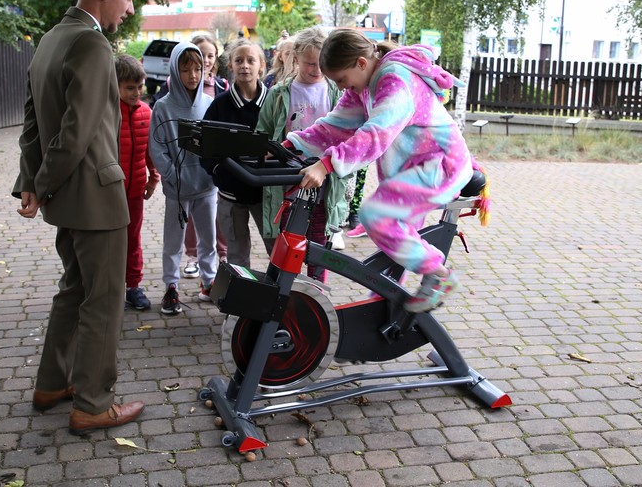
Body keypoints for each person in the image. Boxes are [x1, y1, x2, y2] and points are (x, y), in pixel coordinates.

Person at [12, 0, 145, 434]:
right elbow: (76, 132)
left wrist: (32, 182)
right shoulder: (91, 45)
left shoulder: (51, 39)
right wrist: (40, 185)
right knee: (104, 300)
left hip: (68, 199)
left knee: (74, 289)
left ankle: (53, 382)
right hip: (95, 197)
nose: (129, 8)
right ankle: (92, 402)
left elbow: (31, 126)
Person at [286, 28, 484, 312]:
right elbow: (336, 126)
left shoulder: (396, 78)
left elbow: (377, 132)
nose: (342, 88)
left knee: (376, 217)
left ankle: (438, 275)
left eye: (342, 80)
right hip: (412, 172)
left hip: (441, 166)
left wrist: (327, 163)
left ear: (361, 64)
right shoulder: (362, 86)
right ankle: (384, 312)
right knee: (395, 248)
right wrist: (290, 145)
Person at [256, 27, 348, 282]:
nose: (316, 69)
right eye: (309, 63)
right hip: (287, 181)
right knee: (289, 241)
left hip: (324, 181)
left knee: (319, 243)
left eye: (321, 64)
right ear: (296, 58)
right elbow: (262, 132)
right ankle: (287, 290)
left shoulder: (336, 92)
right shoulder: (278, 94)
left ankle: (316, 292)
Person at [149, 42, 218, 314]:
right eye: (185, 68)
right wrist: (171, 175)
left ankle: (209, 282)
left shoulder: (209, 104)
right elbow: (157, 147)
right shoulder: (163, 107)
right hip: (177, 190)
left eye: (198, 69)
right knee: (173, 242)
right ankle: (170, 287)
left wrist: (212, 172)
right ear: (175, 70)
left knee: (208, 240)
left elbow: (215, 142)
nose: (192, 75)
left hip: (206, 187)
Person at [201, 39, 272, 272]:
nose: (245, 66)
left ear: (261, 66)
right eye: (238, 60)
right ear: (230, 65)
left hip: (267, 194)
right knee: (237, 252)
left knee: (277, 247)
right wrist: (218, 172)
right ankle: (241, 302)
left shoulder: (273, 101)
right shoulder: (220, 105)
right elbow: (205, 144)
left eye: (251, 60)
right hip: (231, 195)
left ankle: (282, 299)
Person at [180, 34, 230, 278]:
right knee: (192, 211)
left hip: (215, 160)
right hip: (189, 160)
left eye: (211, 55)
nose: (207, 60)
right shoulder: (179, 85)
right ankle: (192, 255)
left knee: (219, 209)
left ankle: (222, 252)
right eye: (202, 55)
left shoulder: (222, 86)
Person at [116, 54, 160, 311]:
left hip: (134, 192)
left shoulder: (146, 112)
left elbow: (149, 151)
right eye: (129, 88)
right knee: (109, 242)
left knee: (133, 240)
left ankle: (133, 286)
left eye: (139, 87)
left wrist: (153, 178)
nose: (136, 93)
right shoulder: (107, 112)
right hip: (109, 194)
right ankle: (107, 288)